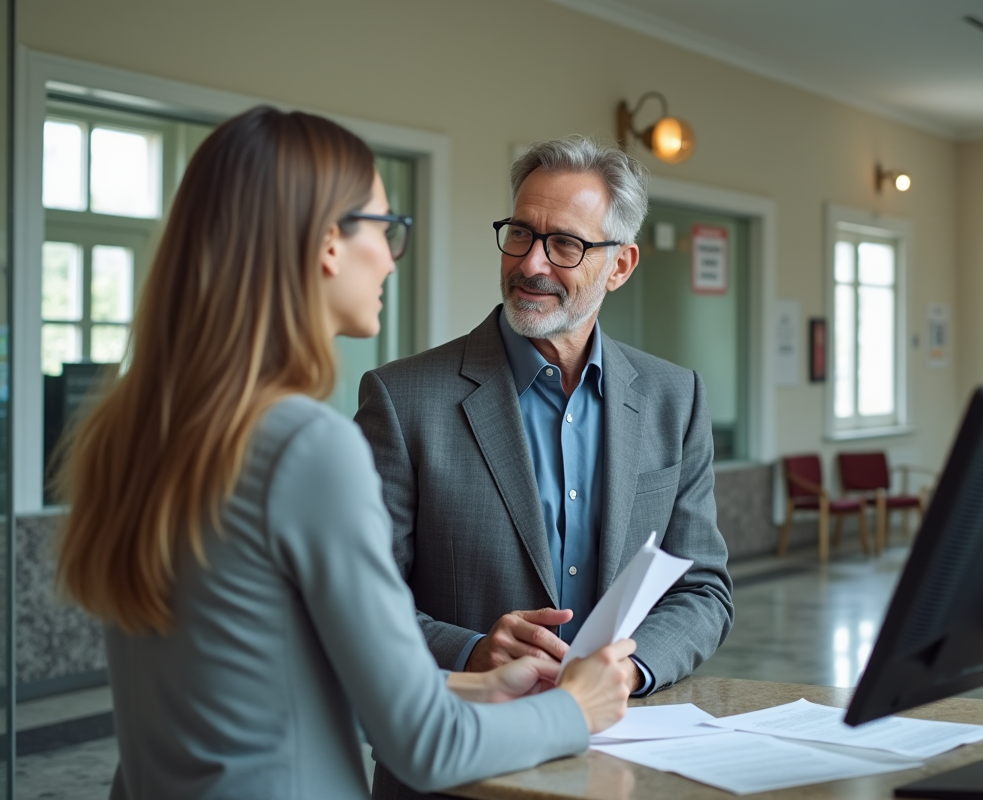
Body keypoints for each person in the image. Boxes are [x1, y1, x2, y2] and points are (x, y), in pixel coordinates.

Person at [55, 107, 634, 800]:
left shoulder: (137, 428)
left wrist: (473, 684)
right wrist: (575, 707)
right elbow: (426, 747)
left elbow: (266, 674)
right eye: (387, 229)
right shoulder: (305, 446)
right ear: (330, 242)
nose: (392, 256)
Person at [356, 136, 735, 798]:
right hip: (461, 773)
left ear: (620, 265)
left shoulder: (676, 398)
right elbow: (363, 604)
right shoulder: (402, 398)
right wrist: (471, 651)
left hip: (621, 769)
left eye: (565, 244)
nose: (531, 262)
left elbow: (704, 590)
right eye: (520, 234)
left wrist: (628, 669)